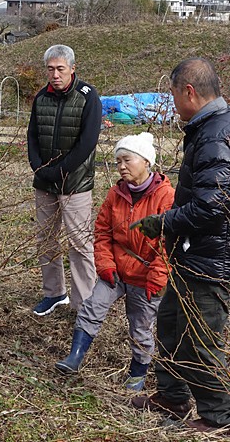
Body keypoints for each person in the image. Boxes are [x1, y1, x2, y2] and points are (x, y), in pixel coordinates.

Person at [131, 58, 230, 433]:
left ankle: (217, 415)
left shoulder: (216, 134)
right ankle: (171, 396)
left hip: (211, 258)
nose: (172, 101)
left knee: (200, 339)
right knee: (171, 324)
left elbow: (214, 203)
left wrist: (163, 222)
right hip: (193, 253)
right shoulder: (209, 128)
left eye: (173, 93)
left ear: (189, 91)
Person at [55, 132, 174, 391]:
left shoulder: (166, 196)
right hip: (116, 270)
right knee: (92, 307)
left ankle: (137, 374)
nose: (121, 166)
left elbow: (168, 244)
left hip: (146, 276)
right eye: (118, 161)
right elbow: (103, 232)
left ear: (146, 161)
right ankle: (74, 358)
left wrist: (157, 277)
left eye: (127, 160)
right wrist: (106, 265)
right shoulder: (115, 194)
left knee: (140, 327)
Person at [27, 44, 102, 316]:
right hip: (44, 182)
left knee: (80, 243)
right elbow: (32, 136)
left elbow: (87, 142)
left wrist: (61, 170)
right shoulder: (41, 98)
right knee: (46, 238)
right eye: (50, 69)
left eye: (60, 69)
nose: (55, 74)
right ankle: (54, 293)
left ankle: (85, 303)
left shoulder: (87, 96)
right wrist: (38, 167)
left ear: (72, 68)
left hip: (75, 184)